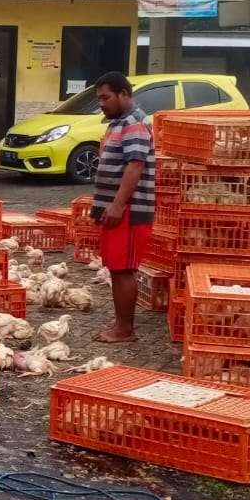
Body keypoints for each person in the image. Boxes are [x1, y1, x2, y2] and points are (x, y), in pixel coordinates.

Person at [89, 71, 155, 344]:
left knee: (124, 268)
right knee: (116, 267)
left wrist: (117, 205)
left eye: (105, 97)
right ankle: (120, 323)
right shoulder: (117, 123)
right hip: (115, 210)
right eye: (99, 98)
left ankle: (125, 329)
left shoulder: (135, 124)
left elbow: (135, 165)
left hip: (129, 210)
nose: (101, 103)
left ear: (123, 94)